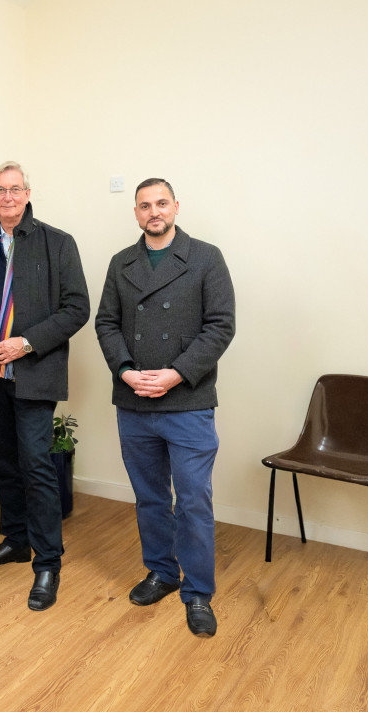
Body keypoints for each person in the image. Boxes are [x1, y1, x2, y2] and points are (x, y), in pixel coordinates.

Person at [94, 177, 235, 638]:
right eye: (144, 205)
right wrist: (125, 369)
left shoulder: (205, 257)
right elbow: (107, 323)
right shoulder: (121, 263)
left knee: (193, 500)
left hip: (188, 400)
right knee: (151, 496)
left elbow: (220, 326)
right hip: (134, 399)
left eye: (160, 203)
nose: (153, 211)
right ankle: (161, 571)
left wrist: (176, 372)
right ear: (135, 213)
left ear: (176, 206)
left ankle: (197, 592)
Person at [0, 161, 90, 611]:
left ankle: (48, 561)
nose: (7, 197)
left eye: (15, 189)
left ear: (27, 193)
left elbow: (77, 309)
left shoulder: (58, 243)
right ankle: (15, 541)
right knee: (5, 463)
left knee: (36, 466)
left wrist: (26, 343)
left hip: (32, 376)